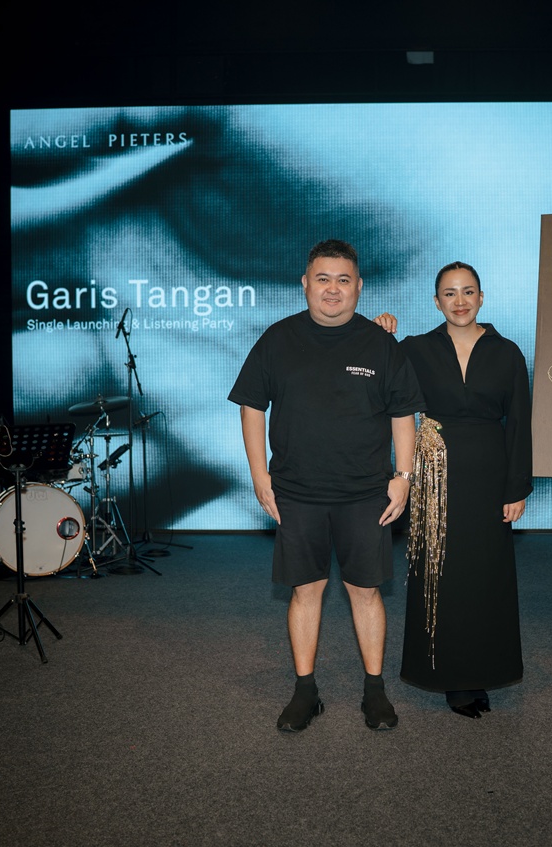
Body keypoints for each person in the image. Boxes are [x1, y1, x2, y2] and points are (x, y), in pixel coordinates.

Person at [228, 239, 425, 732]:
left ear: (358, 287)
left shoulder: (381, 343)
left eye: (343, 280)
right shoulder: (278, 339)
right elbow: (251, 406)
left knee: (366, 592)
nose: (332, 289)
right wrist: (259, 475)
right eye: (322, 279)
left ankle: (374, 691)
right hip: (297, 492)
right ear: (305, 284)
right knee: (306, 591)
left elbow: (404, 414)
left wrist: (404, 478)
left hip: (367, 493)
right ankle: (305, 691)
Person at [394, 261, 533, 718]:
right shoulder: (414, 349)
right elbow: (377, 377)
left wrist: (517, 488)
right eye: (449, 293)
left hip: (490, 478)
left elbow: (520, 424)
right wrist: (377, 330)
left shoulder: (507, 352)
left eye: (468, 291)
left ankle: (481, 671)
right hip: (436, 479)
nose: (460, 301)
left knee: (486, 575)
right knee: (441, 573)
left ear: (481, 297)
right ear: (436, 302)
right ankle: (450, 676)